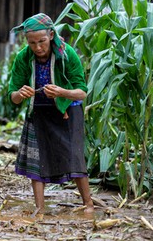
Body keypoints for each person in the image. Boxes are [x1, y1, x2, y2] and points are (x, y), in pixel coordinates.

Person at [8, 13, 94, 216]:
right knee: (36, 160)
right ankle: (39, 208)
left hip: (68, 111)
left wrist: (62, 92)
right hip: (38, 111)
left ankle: (88, 205)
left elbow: (82, 92)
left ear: (52, 36)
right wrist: (20, 94)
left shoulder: (67, 54)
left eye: (42, 41)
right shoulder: (23, 58)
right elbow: (12, 96)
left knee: (74, 158)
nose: (37, 47)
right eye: (32, 43)